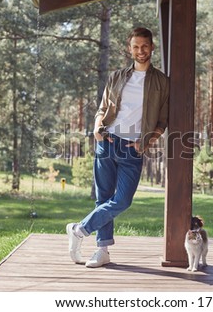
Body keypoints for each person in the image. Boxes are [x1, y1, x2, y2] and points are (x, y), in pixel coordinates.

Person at [66, 27, 169, 268]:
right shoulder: (117, 76)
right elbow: (103, 108)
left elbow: (162, 121)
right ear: (129, 48)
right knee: (103, 199)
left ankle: (79, 230)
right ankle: (102, 251)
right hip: (108, 141)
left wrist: (145, 142)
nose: (140, 51)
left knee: (122, 200)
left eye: (144, 46)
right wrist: (96, 128)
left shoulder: (162, 82)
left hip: (133, 149)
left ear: (152, 47)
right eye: (135, 46)